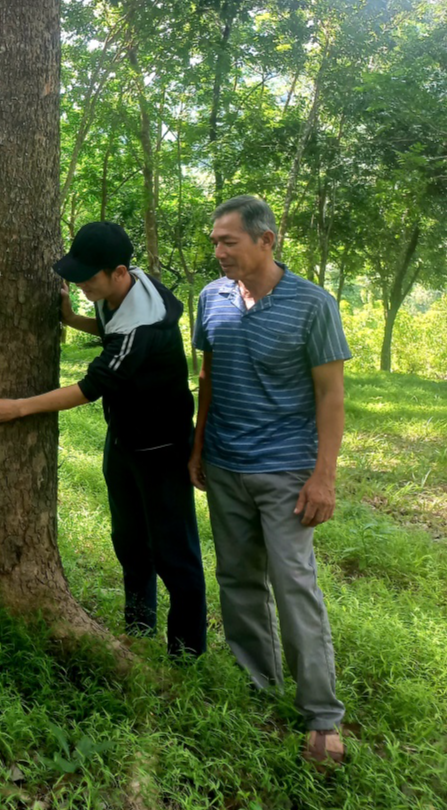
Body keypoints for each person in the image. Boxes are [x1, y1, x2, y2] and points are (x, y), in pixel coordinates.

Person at [0, 221, 207, 658]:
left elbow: (91, 386)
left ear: (118, 272)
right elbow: (109, 329)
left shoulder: (144, 325)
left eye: (88, 278)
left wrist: (18, 408)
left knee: (174, 553)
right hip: (123, 438)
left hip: (161, 448)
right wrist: (71, 318)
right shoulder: (121, 292)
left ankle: (187, 653)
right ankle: (139, 629)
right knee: (130, 543)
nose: (81, 285)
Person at [189, 195, 351, 767]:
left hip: (286, 471)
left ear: (266, 240)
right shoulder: (211, 298)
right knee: (237, 579)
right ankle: (258, 686)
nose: (219, 251)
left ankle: (322, 716)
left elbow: (331, 395)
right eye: (215, 241)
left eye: (228, 241)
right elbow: (208, 377)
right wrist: (198, 446)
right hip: (225, 464)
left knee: (293, 584)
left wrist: (323, 477)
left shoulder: (312, 304)